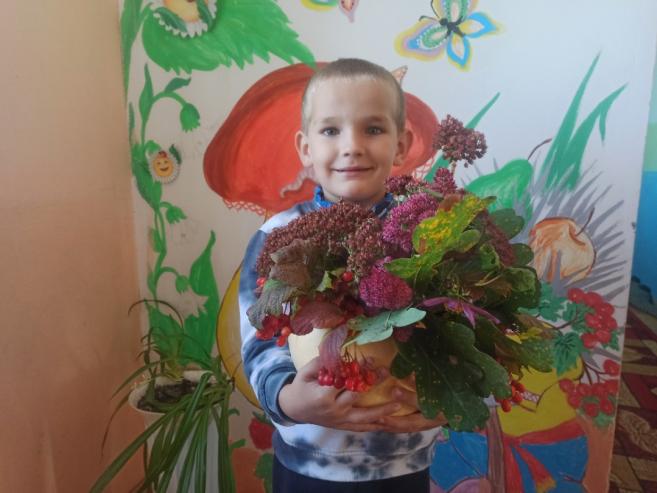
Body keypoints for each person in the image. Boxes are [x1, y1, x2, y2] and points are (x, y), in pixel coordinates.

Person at [239, 58, 446, 493]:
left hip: (403, 461)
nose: (351, 146)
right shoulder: (276, 237)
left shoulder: (430, 231)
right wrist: (288, 398)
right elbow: (260, 340)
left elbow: (473, 338)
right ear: (305, 148)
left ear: (402, 145)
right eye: (331, 130)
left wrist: (451, 399)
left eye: (373, 129)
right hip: (308, 465)